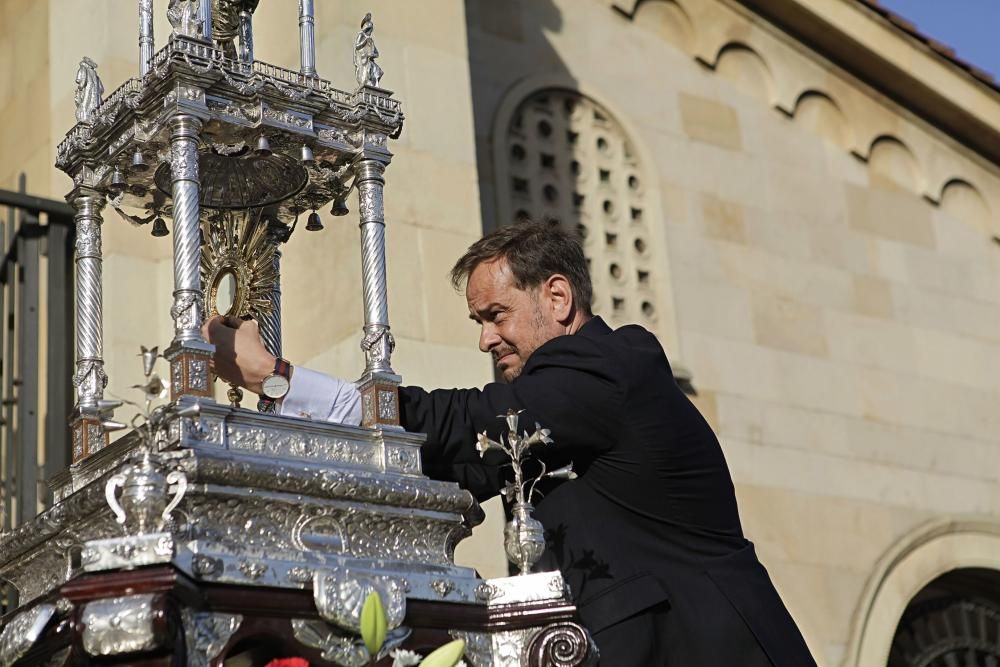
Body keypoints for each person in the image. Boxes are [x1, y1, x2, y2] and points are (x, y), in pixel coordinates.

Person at [205, 220, 816, 666]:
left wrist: (279, 379)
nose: (485, 340)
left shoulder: (610, 363)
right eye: (479, 322)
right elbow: (448, 461)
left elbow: (462, 423)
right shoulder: (557, 401)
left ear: (557, 296)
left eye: (496, 315)